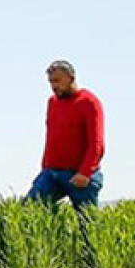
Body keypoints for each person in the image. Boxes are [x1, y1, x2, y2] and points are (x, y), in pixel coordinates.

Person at [25, 59, 105, 210]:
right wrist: (45, 167)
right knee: (28, 211)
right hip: (52, 173)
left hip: (80, 175)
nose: (54, 86)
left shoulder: (89, 102)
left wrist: (85, 172)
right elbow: (51, 138)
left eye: (57, 81)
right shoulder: (52, 103)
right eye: (50, 82)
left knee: (87, 225)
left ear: (71, 78)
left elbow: (97, 143)